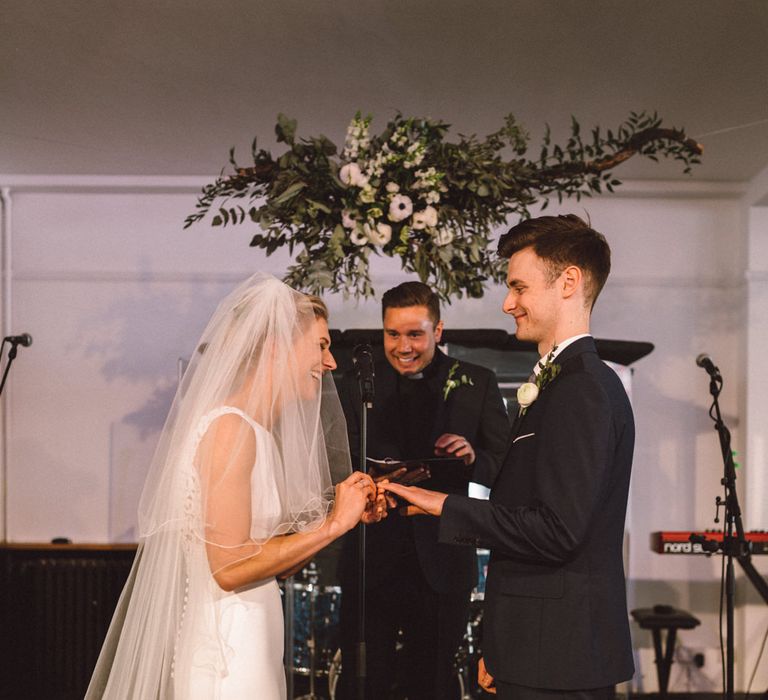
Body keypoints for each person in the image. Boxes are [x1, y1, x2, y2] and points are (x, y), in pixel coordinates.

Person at [86, 273, 384, 700]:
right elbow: (228, 569)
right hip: (226, 652)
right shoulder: (231, 429)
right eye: (321, 345)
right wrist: (332, 526)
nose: (331, 362)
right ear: (277, 346)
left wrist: (344, 512)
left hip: (253, 638)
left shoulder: (256, 431)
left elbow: (269, 559)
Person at [383, 215, 635, 700]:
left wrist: (442, 505)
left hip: (557, 659)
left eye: (518, 287)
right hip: (535, 647)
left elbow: (556, 531)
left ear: (568, 282)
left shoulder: (582, 388)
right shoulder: (562, 383)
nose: (507, 303)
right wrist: (499, 646)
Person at [336, 281, 510, 700]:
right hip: (370, 558)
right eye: (392, 334)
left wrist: (472, 460)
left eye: (415, 334)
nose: (403, 346)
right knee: (364, 681)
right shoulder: (354, 384)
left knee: (432, 682)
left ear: (439, 331)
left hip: (442, 558)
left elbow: (505, 465)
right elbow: (334, 461)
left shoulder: (476, 382)